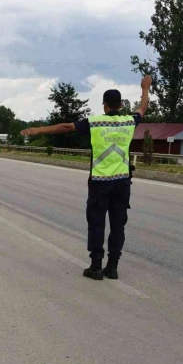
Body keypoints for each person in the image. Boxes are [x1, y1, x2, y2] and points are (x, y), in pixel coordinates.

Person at [21, 75, 152, 281]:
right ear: (119, 105)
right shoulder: (129, 121)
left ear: (105, 105)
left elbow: (66, 127)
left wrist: (38, 130)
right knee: (118, 225)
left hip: (100, 183)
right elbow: (142, 108)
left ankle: (96, 267)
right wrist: (145, 88)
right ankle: (113, 267)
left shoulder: (95, 122)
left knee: (97, 223)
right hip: (122, 183)